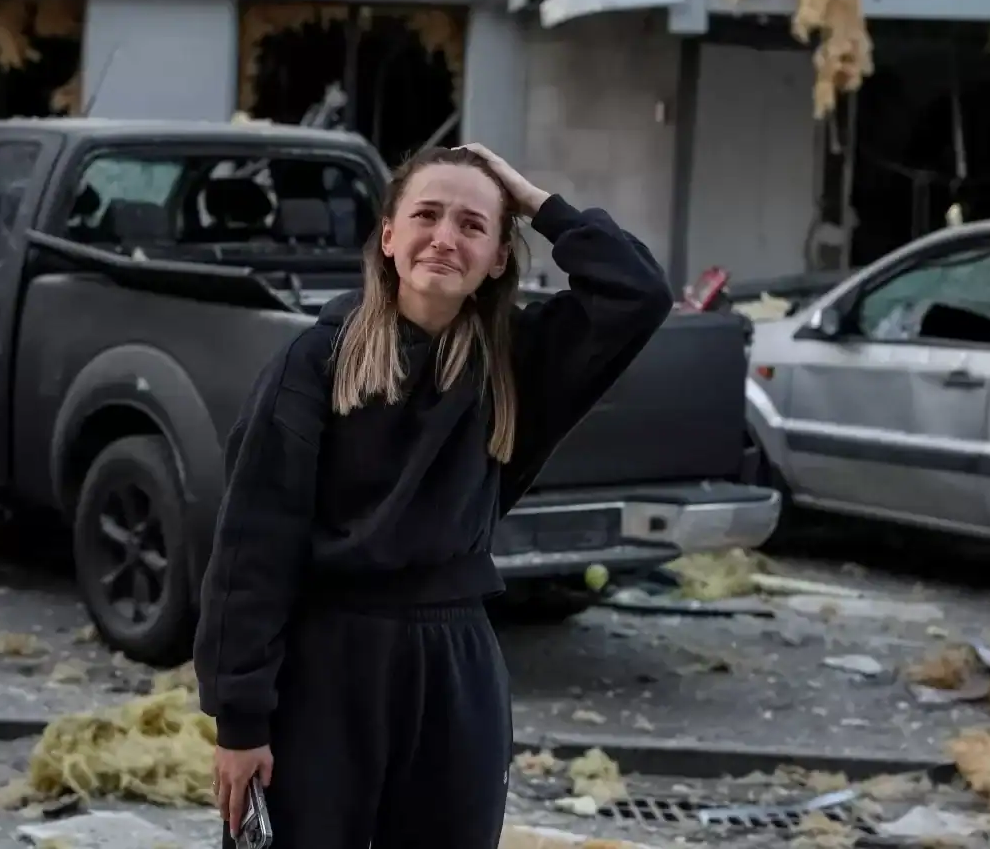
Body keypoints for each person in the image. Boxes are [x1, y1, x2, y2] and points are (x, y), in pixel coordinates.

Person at [194, 143, 675, 849]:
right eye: (426, 215)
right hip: (327, 663)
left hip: (455, 667)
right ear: (388, 237)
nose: (446, 238)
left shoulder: (516, 363)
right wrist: (240, 721)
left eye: (473, 225)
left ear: (499, 258)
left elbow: (638, 294)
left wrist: (532, 199)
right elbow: (251, 548)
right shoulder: (313, 362)